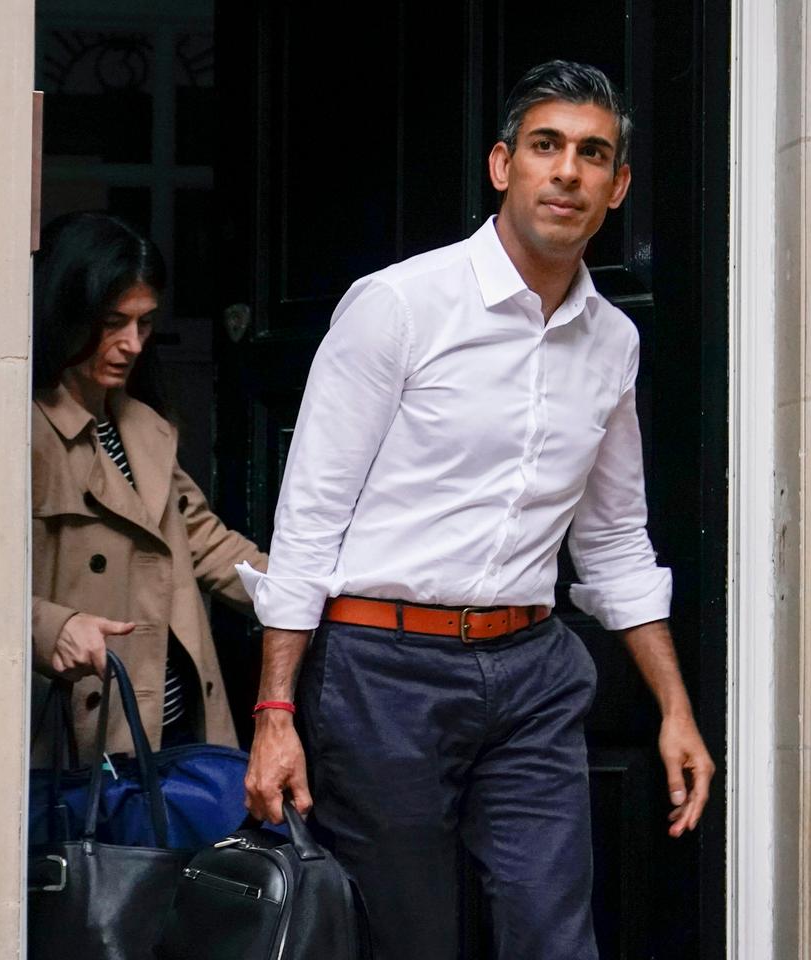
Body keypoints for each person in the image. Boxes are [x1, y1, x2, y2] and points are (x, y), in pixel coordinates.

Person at [241, 61, 715, 958]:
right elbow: (308, 519)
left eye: (591, 154)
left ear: (617, 188)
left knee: (554, 935)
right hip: (385, 672)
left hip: (531, 671)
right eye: (546, 147)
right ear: (503, 166)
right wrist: (276, 713)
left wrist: (674, 710)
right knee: (409, 940)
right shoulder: (400, 306)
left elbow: (612, 539)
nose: (566, 171)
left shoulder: (614, 341)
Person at [31, 211, 267, 757]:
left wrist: (308, 599)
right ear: (66, 313)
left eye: (144, 323)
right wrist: (52, 628)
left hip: (177, 726)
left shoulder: (143, 425)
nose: (133, 343)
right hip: (85, 736)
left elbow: (207, 542)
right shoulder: (22, 431)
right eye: (113, 322)